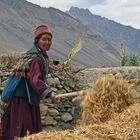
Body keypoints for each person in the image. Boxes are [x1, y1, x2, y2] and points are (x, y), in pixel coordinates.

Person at [0, 24, 57, 140]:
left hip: (28, 97)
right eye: (44, 39)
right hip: (21, 99)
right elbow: (35, 80)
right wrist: (49, 92)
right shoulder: (36, 58)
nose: (47, 42)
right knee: (23, 130)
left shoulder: (41, 55)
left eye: (49, 40)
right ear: (37, 41)